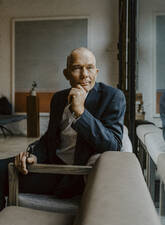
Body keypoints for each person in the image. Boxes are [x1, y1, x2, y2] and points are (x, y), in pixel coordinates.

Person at [0, 47, 126, 210]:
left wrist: (81, 112)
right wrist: (32, 154)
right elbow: (49, 139)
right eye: (77, 68)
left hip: (71, 176)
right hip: (48, 165)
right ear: (66, 74)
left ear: (96, 71)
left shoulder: (112, 96)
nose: (85, 75)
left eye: (89, 68)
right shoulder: (59, 98)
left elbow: (113, 145)